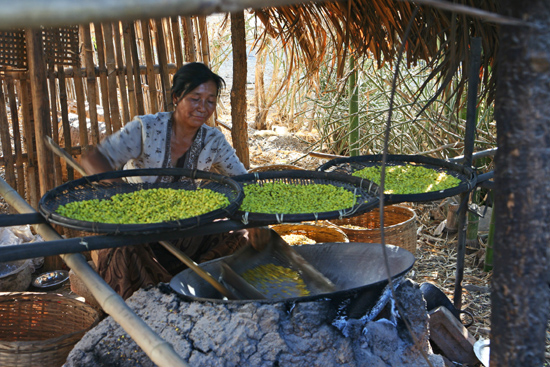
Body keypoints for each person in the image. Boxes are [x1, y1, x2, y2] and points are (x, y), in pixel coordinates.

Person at [81, 62, 259, 299]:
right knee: (125, 250)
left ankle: (193, 285)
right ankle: (150, 304)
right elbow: (95, 160)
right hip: (138, 228)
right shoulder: (146, 128)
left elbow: (242, 180)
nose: (202, 108)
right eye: (195, 98)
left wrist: (257, 221)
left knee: (240, 237)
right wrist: (124, 197)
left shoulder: (213, 140)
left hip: (185, 230)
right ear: (176, 97)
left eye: (210, 101)